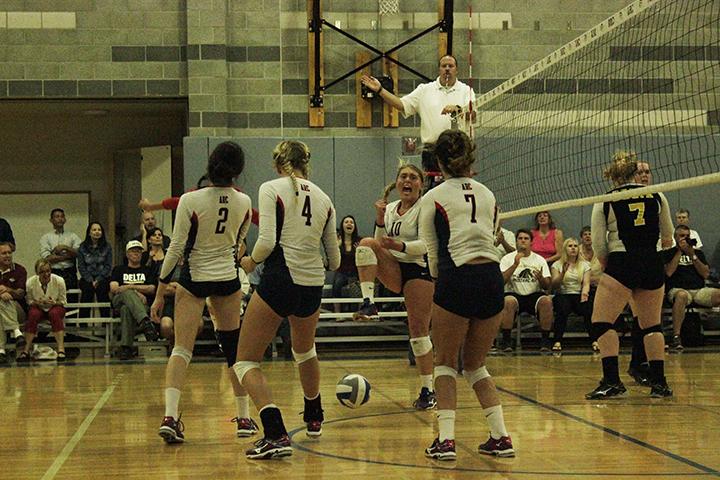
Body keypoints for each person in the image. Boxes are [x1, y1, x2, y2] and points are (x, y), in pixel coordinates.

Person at [232, 140, 340, 460]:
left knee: (245, 361)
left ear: (278, 164)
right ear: (306, 163)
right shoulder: (324, 198)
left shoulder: (271, 188)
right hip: (312, 285)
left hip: (281, 278)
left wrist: (249, 262)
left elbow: (266, 242)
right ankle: (314, 415)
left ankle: (275, 432)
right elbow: (334, 261)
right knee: (304, 350)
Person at [152, 141, 257, 444]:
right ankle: (245, 418)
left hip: (195, 276)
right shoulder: (244, 202)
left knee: (182, 350)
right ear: (238, 171)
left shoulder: (190, 199)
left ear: (210, 165)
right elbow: (239, 244)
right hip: (227, 277)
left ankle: (171, 417)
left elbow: (175, 249)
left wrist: (161, 292)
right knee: (234, 352)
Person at [418, 129, 513, 460]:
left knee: (444, 362)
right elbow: (493, 234)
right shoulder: (488, 194)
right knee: (475, 365)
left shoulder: (433, 196)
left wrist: (439, 287)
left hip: (456, 276)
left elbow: (432, 250)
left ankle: (445, 440)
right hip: (491, 279)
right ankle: (500, 437)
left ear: (439, 162)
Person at [586, 150, 674, 400]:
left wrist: (609, 266)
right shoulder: (658, 195)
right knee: (652, 325)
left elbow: (599, 244)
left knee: (601, 323)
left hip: (622, 261)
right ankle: (659, 384)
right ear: (636, 173)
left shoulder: (606, 199)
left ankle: (612, 381)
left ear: (615, 176)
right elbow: (667, 237)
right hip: (652, 262)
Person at [351, 163, 436, 409]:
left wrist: (399, 246)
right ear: (397, 182)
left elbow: (427, 245)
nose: (407, 181)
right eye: (403, 177)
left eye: (412, 177)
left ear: (421, 184)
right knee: (365, 243)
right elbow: (378, 246)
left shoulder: (425, 207)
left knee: (418, 331)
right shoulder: (389, 209)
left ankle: (427, 390)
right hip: (393, 265)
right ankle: (368, 304)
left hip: (417, 268)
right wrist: (379, 221)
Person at [361, 55, 476, 186]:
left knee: (459, 190)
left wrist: (458, 109)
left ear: (457, 70)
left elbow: (472, 115)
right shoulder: (424, 90)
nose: (447, 69)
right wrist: (380, 90)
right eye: (444, 66)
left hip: (458, 152)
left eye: (451, 66)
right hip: (432, 152)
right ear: (439, 69)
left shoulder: (466, 90)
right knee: (434, 192)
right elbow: (401, 105)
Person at [663, 225, 719, 350]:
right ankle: (676, 336)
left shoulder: (698, 253)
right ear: (675, 237)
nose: (685, 238)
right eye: (682, 236)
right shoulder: (668, 253)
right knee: (682, 296)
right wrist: (679, 251)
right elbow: (669, 273)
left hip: (698, 290)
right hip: (678, 290)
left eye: (687, 236)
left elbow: (705, 273)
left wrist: (692, 255)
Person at [498, 229, 553, 351]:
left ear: (531, 242)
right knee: (508, 301)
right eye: (520, 238)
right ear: (516, 241)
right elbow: (501, 281)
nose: (523, 241)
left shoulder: (539, 259)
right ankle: (506, 341)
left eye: (526, 238)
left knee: (547, 301)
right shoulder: (507, 258)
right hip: (514, 293)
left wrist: (540, 278)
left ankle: (545, 341)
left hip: (534, 294)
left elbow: (547, 285)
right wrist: (514, 265)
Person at [110, 240, 158, 361]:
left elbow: (152, 288)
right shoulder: (119, 269)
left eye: (138, 251)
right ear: (127, 254)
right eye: (133, 251)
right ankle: (145, 321)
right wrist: (135, 292)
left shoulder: (147, 270)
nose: (136, 253)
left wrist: (129, 286)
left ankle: (126, 347)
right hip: (119, 300)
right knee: (127, 294)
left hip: (140, 305)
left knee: (127, 309)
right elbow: (114, 288)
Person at [18, 259, 67, 362]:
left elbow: (63, 301)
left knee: (54, 314)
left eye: (48, 271)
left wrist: (53, 302)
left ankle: (61, 349)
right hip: (38, 306)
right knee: (33, 314)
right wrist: (37, 302)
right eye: (42, 272)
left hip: (55, 306)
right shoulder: (30, 282)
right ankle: (26, 350)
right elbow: (29, 301)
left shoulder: (59, 281)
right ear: (37, 273)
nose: (46, 274)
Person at [550, 238, 591, 352]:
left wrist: (584, 294)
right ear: (565, 249)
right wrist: (563, 273)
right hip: (563, 293)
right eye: (570, 246)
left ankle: (594, 340)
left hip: (578, 293)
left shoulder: (585, 265)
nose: (573, 248)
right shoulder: (557, 265)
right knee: (562, 310)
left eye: (575, 246)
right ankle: (557, 340)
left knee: (588, 309)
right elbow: (554, 284)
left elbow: (586, 283)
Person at [39, 208, 81, 291]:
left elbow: (79, 253)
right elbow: (47, 259)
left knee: (72, 300)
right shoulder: (46, 237)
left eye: (62, 216)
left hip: (70, 273)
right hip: (53, 272)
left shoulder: (72, 236)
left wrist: (64, 247)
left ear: (65, 219)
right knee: (54, 298)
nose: (60, 219)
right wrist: (68, 256)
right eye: (57, 216)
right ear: (51, 220)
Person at [77, 222, 112, 317]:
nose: (97, 232)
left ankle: (106, 323)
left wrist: (98, 279)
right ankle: (83, 324)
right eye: (94, 230)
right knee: (87, 291)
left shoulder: (107, 247)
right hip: (87, 277)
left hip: (103, 277)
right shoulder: (82, 247)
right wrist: (90, 280)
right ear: (89, 233)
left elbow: (108, 266)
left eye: (99, 230)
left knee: (103, 291)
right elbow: (81, 266)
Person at [0, 242, 26, 363]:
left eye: (9, 253)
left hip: (18, 310)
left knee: (6, 300)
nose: (7, 256)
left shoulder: (20, 270)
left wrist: (8, 290)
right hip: (3, 312)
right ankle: (17, 333)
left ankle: (1, 349)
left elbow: (20, 293)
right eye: (4, 253)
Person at [579, 226, 602, 351]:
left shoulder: (600, 251)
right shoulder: (576, 252)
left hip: (599, 287)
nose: (588, 236)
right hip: (581, 288)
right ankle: (594, 339)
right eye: (585, 234)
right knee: (588, 307)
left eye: (590, 234)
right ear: (581, 237)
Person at [333, 215, 361, 314]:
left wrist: (360, 251)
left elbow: (364, 260)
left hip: (356, 272)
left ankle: (359, 313)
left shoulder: (359, 241)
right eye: (346, 222)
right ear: (342, 226)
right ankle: (338, 314)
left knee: (360, 285)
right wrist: (337, 246)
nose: (349, 224)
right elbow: (333, 259)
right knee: (337, 285)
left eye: (351, 222)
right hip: (342, 271)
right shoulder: (337, 240)